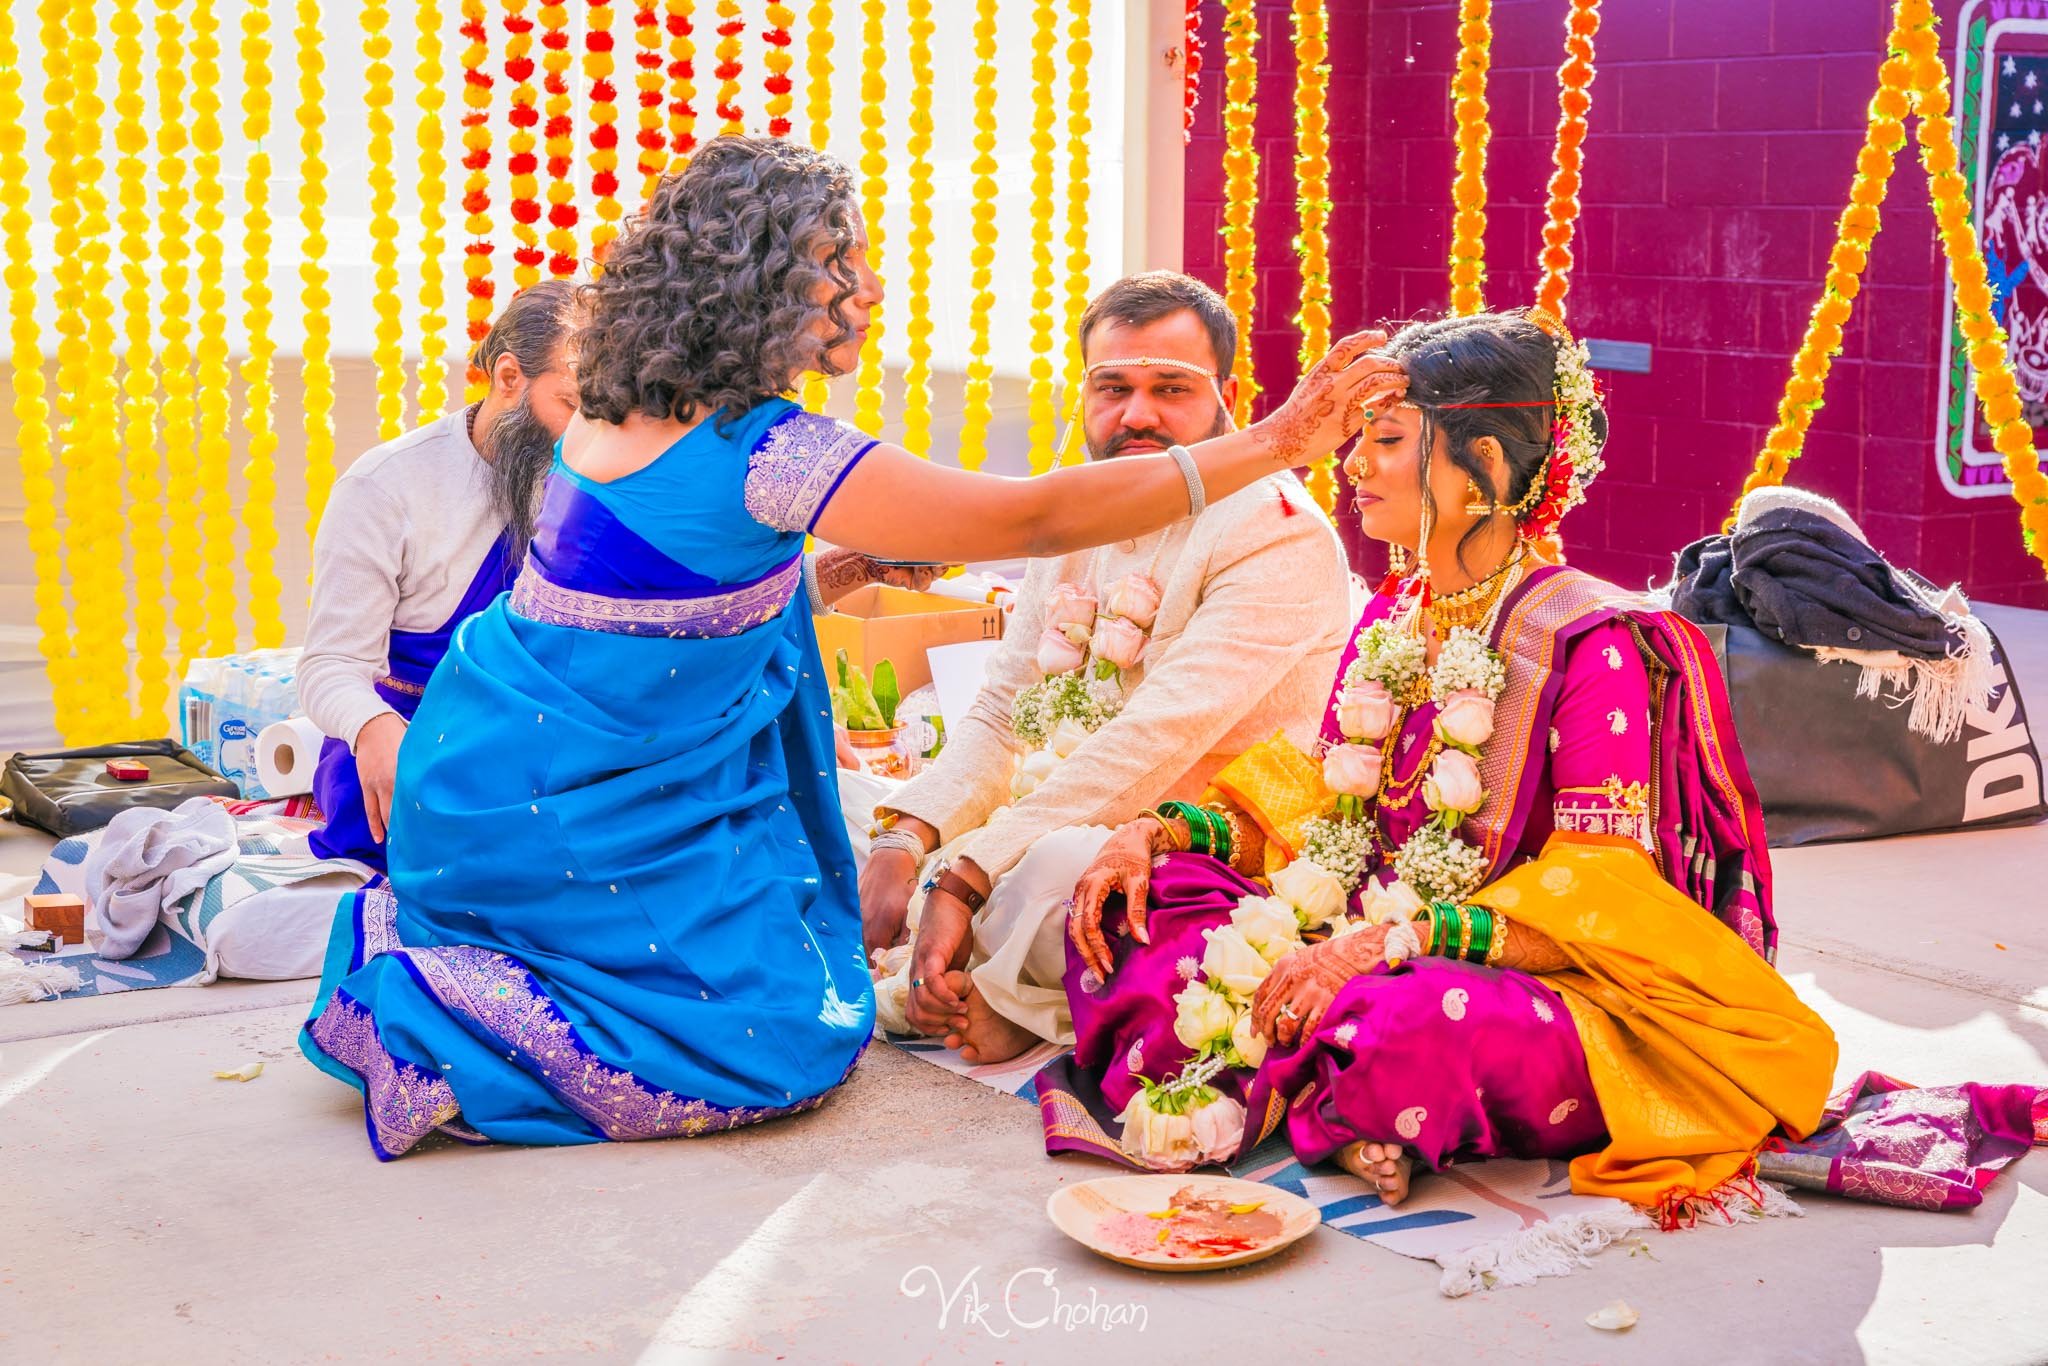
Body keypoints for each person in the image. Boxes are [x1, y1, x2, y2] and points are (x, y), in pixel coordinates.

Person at [297, 135, 1397, 1160]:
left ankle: (466, 968)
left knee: (854, 876)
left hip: (493, 782)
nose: (865, 292)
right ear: (764, 280)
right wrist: (1276, 439)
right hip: (589, 816)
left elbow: (680, 594)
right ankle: (439, 1023)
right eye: (838, 263)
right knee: (779, 1042)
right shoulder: (775, 451)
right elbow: (1028, 520)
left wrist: (928, 827)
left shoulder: (611, 413)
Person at [1037, 307, 1850, 1219]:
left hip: (1508, 975)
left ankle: (1316, 1081)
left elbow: (1603, 897)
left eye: (1385, 439)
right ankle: (1337, 1101)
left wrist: (1393, 943)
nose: (1352, 465)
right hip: (1349, 928)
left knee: (1407, 1026)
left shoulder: (1592, 643)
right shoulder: (1393, 613)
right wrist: (1157, 830)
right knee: (1142, 900)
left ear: (1490, 468)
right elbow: (1323, 802)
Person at [852, 271, 1352, 1064]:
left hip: (1187, 840)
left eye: (1170, 390)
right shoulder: (1087, 512)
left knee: (1059, 866)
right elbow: (1002, 709)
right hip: (1060, 804)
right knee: (848, 802)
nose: (1138, 415)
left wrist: (964, 874)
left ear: (1226, 395)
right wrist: (908, 838)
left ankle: (1018, 994)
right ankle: (981, 965)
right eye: (1113, 387)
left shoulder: (1274, 529)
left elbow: (1150, 745)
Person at [299, 281, 581, 871]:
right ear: (509, 377)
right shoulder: (385, 486)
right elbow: (332, 667)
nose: (585, 434)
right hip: (411, 751)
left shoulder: (593, 475)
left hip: (541, 754)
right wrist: (373, 728)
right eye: (573, 406)